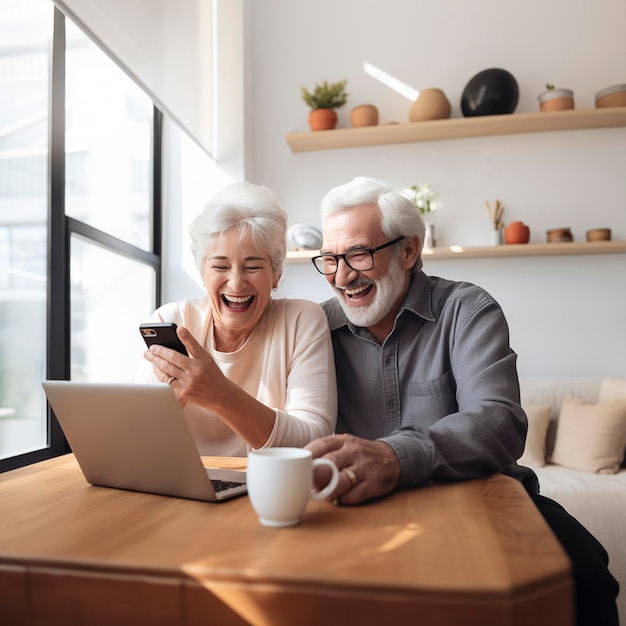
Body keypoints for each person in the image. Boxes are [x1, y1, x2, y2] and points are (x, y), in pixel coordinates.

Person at [305, 176, 619, 626]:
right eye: (331, 259)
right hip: (364, 511)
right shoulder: (316, 329)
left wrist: (394, 455)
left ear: (409, 250)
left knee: (586, 578)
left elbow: (500, 423)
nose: (342, 275)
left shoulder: (466, 309)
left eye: (358, 254)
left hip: (485, 499)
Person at [136, 181, 337, 455]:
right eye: (220, 266)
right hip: (186, 487)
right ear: (202, 273)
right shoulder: (173, 319)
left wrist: (219, 394)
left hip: (268, 487)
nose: (236, 283)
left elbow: (313, 441)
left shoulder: (301, 320)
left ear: (277, 274)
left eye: (253, 267)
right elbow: (140, 443)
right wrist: (167, 406)